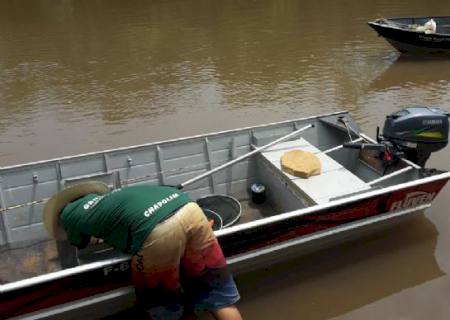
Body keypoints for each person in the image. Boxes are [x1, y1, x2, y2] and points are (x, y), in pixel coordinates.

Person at [43, 181, 243, 320]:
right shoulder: (113, 198)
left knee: (164, 304)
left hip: (159, 230)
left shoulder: (67, 214)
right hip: (189, 209)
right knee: (216, 293)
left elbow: (80, 244)